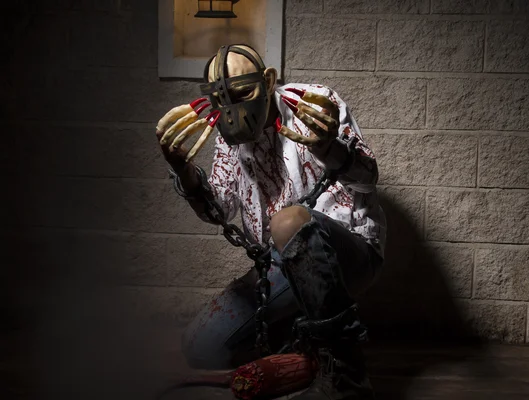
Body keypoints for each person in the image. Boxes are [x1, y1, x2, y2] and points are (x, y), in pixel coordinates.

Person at [155, 44, 386, 399]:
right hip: (282, 266)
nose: (234, 109)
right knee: (200, 346)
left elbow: (367, 179)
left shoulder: (315, 104)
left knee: (287, 221)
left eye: (243, 93)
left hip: (348, 253)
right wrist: (183, 170)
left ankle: (346, 375)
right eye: (223, 98)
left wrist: (329, 147)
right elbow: (220, 210)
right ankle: (301, 347)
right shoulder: (227, 140)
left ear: (268, 80)